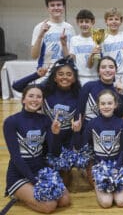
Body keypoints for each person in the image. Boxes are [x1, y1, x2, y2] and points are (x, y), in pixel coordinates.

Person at [12, 57, 82, 185]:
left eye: (68, 74)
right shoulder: (46, 90)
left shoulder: (79, 94)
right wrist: (36, 75)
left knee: (64, 183)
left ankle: (66, 170)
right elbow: (17, 86)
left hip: (66, 142)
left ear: (74, 78)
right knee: (51, 179)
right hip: (46, 141)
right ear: (54, 77)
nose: (64, 77)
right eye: (60, 74)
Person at [3, 85, 70, 213]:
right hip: (20, 173)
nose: (35, 99)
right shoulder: (11, 122)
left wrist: (56, 134)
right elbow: (16, 158)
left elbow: (54, 152)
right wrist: (35, 181)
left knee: (64, 200)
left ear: (42, 101)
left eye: (38, 97)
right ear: (23, 99)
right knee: (49, 206)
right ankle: (17, 192)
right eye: (31, 96)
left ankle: (29, 193)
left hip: (41, 170)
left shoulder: (45, 120)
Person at [80, 90, 123, 208]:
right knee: (106, 203)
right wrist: (77, 132)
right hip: (100, 168)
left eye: (109, 103)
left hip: (118, 166)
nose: (106, 106)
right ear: (98, 105)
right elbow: (84, 145)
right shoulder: (92, 124)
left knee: (121, 202)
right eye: (103, 104)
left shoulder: (121, 123)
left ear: (115, 105)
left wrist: (117, 167)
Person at [31, 0, 75, 69]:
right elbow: (34, 56)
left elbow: (72, 56)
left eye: (59, 5)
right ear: (47, 8)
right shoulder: (40, 27)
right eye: (52, 5)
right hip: (45, 74)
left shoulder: (70, 28)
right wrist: (40, 36)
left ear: (63, 7)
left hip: (65, 74)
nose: (56, 8)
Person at [102, 8, 123, 86]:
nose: (114, 21)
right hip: (108, 75)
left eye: (116, 19)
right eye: (110, 19)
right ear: (106, 21)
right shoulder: (101, 37)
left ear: (121, 21)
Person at [66, 9, 98, 85]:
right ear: (77, 22)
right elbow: (72, 60)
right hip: (79, 78)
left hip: (95, 77)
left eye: (87, 21)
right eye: (81, 21)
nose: (84, 24)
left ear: (92, 22)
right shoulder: (74, 39)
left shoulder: (97, 39)